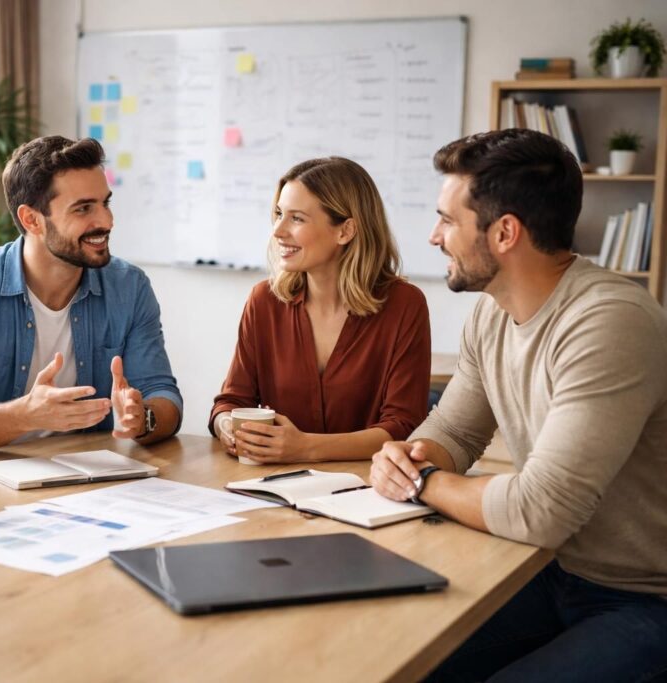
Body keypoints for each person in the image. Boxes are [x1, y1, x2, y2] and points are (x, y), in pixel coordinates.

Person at [369, 129, 667, 681]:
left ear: (505, 232)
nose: (434, 237)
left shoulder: (609, 322)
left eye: (448, 220)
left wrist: (422, 481)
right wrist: (408, 458)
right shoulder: (491, 312)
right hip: (545, 570)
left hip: (644, 598)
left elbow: (540, 510)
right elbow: (455, 434)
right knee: (396, 659)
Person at [0, 135, 182, 458]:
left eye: (105, 203)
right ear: (32, 220)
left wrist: (143, 419)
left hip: (88, 479)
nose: (106, 221)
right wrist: (24, 415)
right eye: (83, 208)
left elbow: (164, 396)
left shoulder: (129, 287)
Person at [209, 157, 431, 463]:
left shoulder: (405, 305)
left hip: (369, 488)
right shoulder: (264, 301)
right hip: (273, 485)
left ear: (346, 230)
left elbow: (403, 427)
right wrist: (229, 429)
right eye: (278, 215)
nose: (278, 231)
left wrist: (306, 448)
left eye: (296, 218)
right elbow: (231, 401)